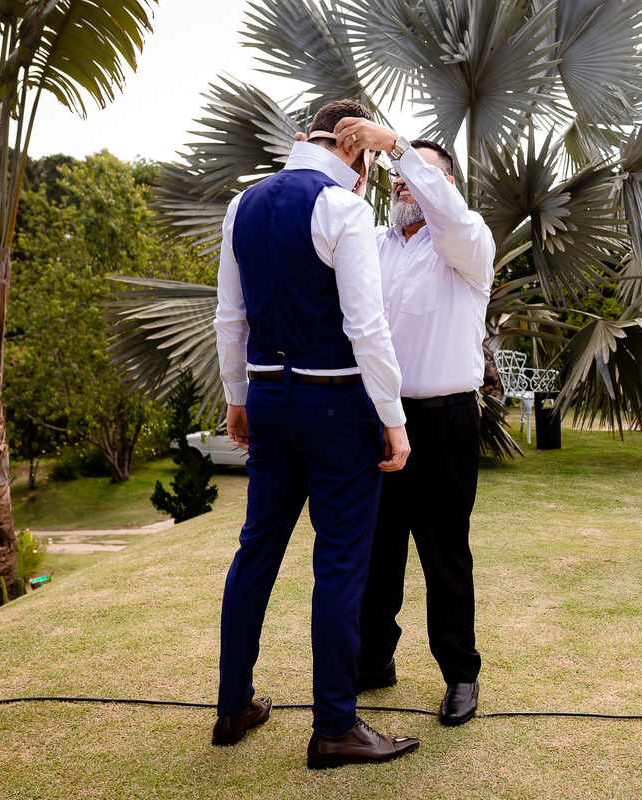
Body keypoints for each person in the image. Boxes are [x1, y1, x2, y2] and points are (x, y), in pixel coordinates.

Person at [211, 98, 421, 769]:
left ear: (310, 136)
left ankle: (233, 705)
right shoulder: (342, 208)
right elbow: (366, 327)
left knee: (256, 550)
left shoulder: (242, 205)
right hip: (335, 406)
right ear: (357, 150)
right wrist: (393, 418)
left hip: (267, 399)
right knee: (338, 562)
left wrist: (237, 397)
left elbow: (229, 317)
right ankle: (334, 726)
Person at [319, 118, 494, 727]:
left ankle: (460, 673)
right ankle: (373, 660)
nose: (400, 182)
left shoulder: (467, 243)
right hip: (375, 420)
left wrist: (396, 146)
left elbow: (449, 215)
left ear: (446, 185)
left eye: (415, 174)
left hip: (445, 421)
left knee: (445, 552)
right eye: (395, 177)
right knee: (377, 549)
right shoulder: (372, 242)